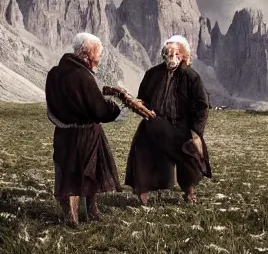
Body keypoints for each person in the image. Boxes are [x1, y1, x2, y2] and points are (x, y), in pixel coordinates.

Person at [44, 32, 122, 225]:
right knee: (89, 171)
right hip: (86, 134)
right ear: (87, 54)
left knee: (67, 172)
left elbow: (51, 104)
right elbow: (100, 110)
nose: (99, 59)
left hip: (63, 133)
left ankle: (73, 215)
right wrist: (114, 107)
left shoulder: (54, 73)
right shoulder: (83, 76)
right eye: (98, 54)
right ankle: (90, 213)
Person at [124, 35, 212, 205]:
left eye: (175, 54)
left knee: (187, 154)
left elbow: (202, 106)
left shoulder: (191, 76)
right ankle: (143, 194)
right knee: (143, 151)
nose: (171, 58)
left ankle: (189, 192)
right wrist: (138, 103)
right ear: (163, 55)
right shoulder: (152, 74)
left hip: (181, 126)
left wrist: (196, 132)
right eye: (168, 54)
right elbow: (143, 97)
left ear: (183, 55)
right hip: (153, 121)